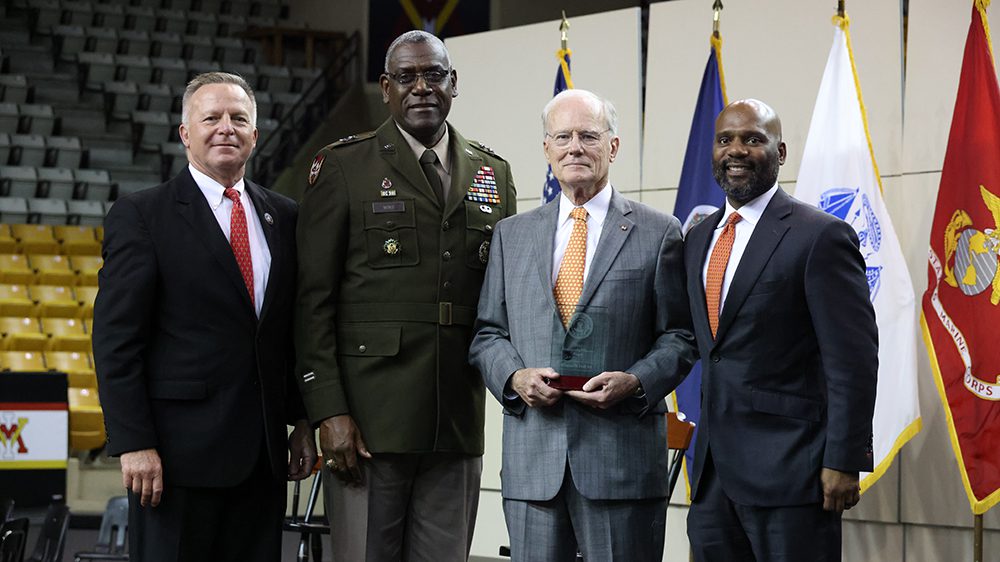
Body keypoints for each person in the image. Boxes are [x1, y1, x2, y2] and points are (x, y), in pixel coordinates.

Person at [294, 30, 517, 560]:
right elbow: (312, 302)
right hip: (370, 420)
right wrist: (329, 412)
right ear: (386, 88)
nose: (422, 87)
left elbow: (503, 298)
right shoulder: (345, 167)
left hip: (455, 419)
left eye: (434, 74)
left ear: (453, 83)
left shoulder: (493, 172)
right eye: (407, 77)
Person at [93, 72, 317, 562]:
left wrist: (301, 418)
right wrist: (134, 443)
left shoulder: (285, 216)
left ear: (255, 136)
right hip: (174, 465)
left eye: (239, 119)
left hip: (262, 462)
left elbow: (290, 332)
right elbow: (116, 341)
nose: (225, 128)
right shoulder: (142, 215)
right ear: (184, 133)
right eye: (211, 117)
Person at [469, 88, 697, 561]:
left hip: (622, 465)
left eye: (588, 135)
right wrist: (514, 376)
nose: (575, 146)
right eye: (563, 136)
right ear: (547, 149)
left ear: (612, 147)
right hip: (534, 466)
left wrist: (636, 381)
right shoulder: (512, 235)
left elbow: (680, 336)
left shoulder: (660, 232)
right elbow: (488, 333)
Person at [683, 98, 877, 561]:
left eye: (753, 139)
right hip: (712, 478)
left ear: (781, 152)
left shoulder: (819, 236)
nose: (737, 150)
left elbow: (853, 360)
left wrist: (844, 459)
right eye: (725, 139)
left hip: (795, 473)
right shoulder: (697, 238)